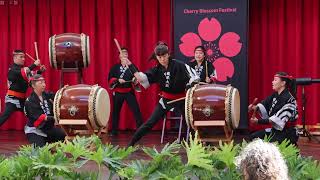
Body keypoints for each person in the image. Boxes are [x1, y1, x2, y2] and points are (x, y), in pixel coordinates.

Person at [124, 41, 200, 146]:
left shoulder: (179, 65)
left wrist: (189, 86)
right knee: (150, 123)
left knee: (189, 123)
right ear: (156, 57)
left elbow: (195, 77)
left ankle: (194, 147)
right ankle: (131, 144)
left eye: (164, 56)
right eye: (159, 57)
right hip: (165, 100)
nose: (162, 59)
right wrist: (130, 65)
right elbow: (141, 78)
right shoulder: (156, 70)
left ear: (168, 54)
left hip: (182, 99)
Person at [248, 72, 299, 145]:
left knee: (270, 146)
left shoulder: (289, 99)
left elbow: (276, 120)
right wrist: (254, 107)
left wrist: (258, 121)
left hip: (287, 133)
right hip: (276, 131)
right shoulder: (275, 95)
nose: (272, 82)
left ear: (283, 83)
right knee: (253, 137)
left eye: (275, 80)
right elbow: (264, 105)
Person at [0, 50, 44, 127]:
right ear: (15, 58)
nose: (23, 59)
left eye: (24, 57)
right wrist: (34, 64)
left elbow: (32, 77)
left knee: (33, 113)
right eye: (21, 57)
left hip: (22, 99)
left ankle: (41, 129)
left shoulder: (23, 69)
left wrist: (40, 71)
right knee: (5, 116)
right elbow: (23, 72)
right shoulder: (12, 69)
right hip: (12, 99)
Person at [108, 47, 143, 136]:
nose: (124, 55)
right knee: (115, 111)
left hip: (129, 92)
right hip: (118, 92)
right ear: (119, 56)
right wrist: (117, 80)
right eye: (122, 53)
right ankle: (114, 131)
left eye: (126, 53)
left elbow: (138, 77)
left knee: (136, 110)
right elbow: (110, 79)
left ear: (128, 55)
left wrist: (135, 80)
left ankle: (140, 130)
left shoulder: (132, 67)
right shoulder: (115, 68)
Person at [24, 74, 65, 147]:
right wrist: (56, 118)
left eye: (44, 82)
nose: (44, 85)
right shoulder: (30, 101)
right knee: (41, 151)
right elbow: (40, 117)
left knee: (64, 136)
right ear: (33, 86)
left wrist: (63, 91)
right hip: (35, 130)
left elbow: (58, 96)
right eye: (40, 83)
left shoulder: (46, 94)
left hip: (48, 128)